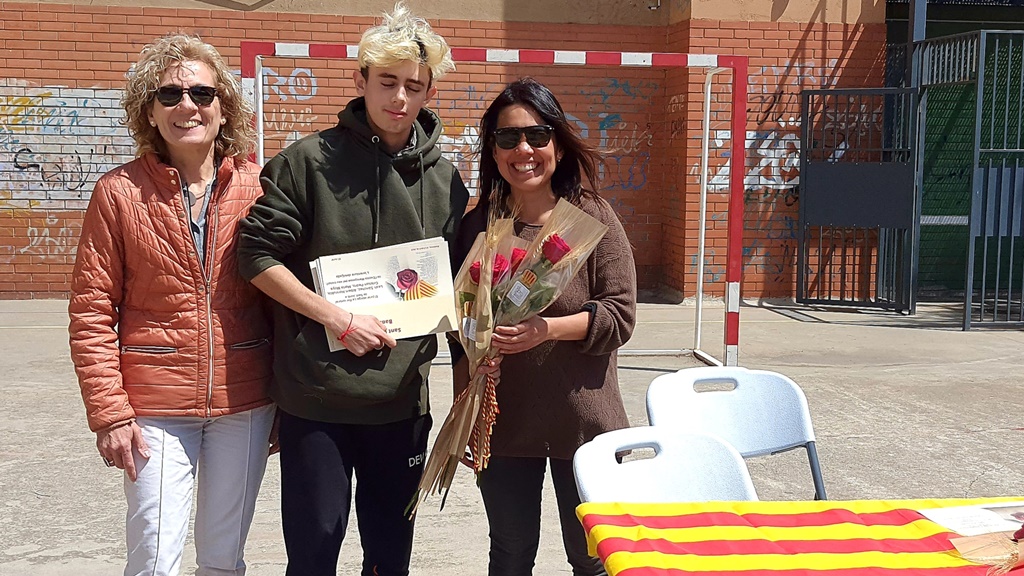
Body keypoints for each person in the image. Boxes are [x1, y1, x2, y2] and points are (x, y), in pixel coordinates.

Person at [236, 4, 479, 575]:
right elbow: (256, 257)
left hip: (401, 405)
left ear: (429, 91)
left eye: (413, 86)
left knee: (390, 558)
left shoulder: (446, 181)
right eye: (387, 82)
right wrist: (335, 317)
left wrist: (467, 396)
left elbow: (455, 293)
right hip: (316, 401)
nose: (399, 98)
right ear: (361, 79)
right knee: (315, 551)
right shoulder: (307, 163)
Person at [68, 33, 275, 576]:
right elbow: (91, 311)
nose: (188, 105)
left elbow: (282, 300)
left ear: (224, 108)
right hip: (153, 406)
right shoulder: (118, 193)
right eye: (170, 95)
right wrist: (110, 413)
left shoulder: (259, 187)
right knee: (154, 558)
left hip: (245, 400)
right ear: (150, 111)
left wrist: (288, 397)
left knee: (223, 559)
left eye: (203, 94)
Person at [451, 77, 638, 576]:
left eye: (536, 135)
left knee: (593, 558)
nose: (524, 150)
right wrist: (467, 408)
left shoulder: (592, 217)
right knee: (510, 555)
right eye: (508, 138)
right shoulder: (478, 227)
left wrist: (547, 330)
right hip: (505, 424)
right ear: (493, 150)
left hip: (585, 423)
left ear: (558, 142)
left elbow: (620, 315)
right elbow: (459, 332)